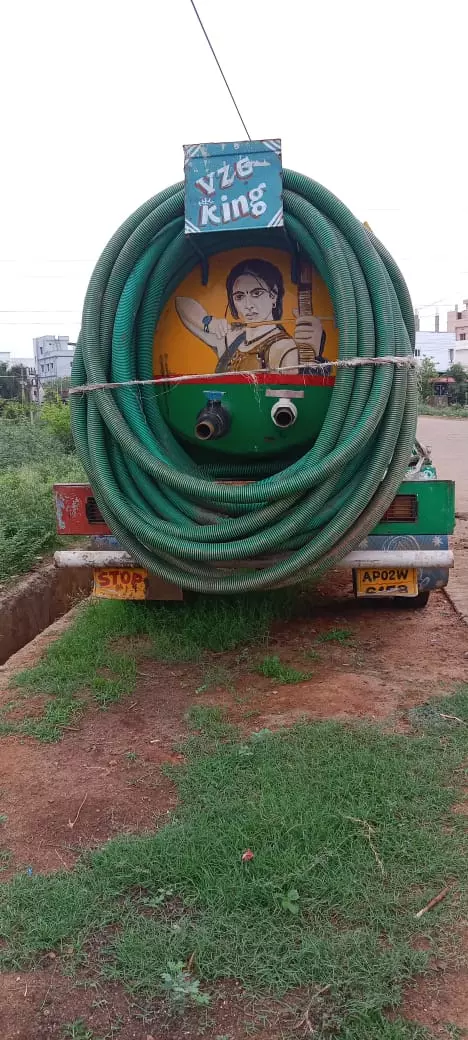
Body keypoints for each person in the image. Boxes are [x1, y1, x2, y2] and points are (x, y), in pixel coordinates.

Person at [175, 258, 325, 373]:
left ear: (273, 295)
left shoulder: (283, 346)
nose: (248, 305)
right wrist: (210, 322)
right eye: (239, 297)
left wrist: (311, 355)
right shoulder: (231, 337)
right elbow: (181, 303)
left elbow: (294, 393)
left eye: (256, 293)